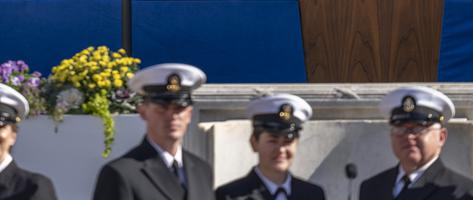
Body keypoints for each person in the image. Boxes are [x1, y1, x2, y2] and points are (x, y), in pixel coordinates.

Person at [93, 63, 214, 200]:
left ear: (189, 114)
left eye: (179, 108)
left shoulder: (202, 171)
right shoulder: (120, 174)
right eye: (162, 108)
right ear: (143, 112)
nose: (172, 116)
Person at [359, 86, 473, 200]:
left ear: (441, 137)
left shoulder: (466, 193)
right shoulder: (371, 188)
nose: (409, 136)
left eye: (418, 128)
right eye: (400, 128)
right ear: (391, 135)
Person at [215, 94, 325, 200]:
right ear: (254, 143)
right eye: (273, 141)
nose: (281, 149)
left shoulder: (313, 195)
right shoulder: (230, 196)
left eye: (287, 142)